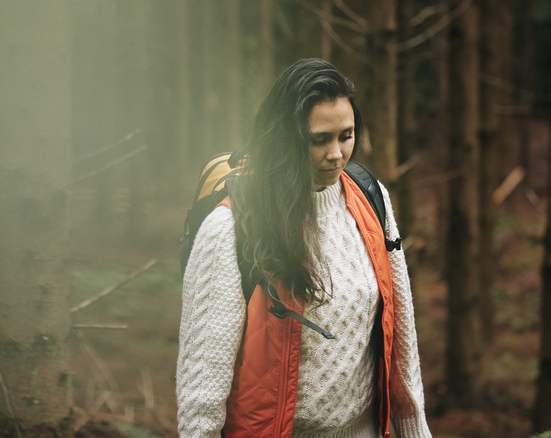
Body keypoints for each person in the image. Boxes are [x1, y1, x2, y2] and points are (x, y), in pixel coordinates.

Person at [176, 58, 432, 438]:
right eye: (319, 140)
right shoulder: (231, 227)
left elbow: (402, 337)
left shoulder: (371, 199)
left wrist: (415, 430)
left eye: (346, 135)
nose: (336, 154)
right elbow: (202, 387)